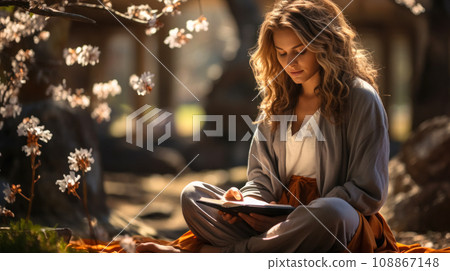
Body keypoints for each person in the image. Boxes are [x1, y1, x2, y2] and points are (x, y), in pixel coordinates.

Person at [137, 0, 396, 253]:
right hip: (273, 219)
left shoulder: (360, 98)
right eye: (282, 53)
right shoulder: (278, 100)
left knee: (332, 214)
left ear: (324, 45)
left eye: (300, 50)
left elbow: (367, 189)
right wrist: (248, 202)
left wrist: (297, 216)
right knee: (193, 195)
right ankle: (260, 248)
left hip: (330, 220)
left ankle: (228, 254)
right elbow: (260, 180)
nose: (290, 63)